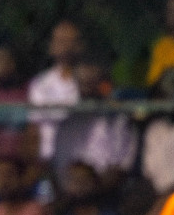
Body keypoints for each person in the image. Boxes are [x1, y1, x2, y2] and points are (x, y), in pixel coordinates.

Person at [50, 57, 137, 192]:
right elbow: (59, 171)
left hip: (107, 196)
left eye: (92, 83)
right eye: (83, 83)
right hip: (70, 198)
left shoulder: (118, 121)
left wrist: (92, 189)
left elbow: (120, 169)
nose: (88, 89)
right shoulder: (67, 124)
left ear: (103, 84)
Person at [27, 20, 85, 162]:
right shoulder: (39, 84)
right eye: (60, 41)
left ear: (81, 46)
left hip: (82, 160)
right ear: (51, 46)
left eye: (71, 41)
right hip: (47, 160)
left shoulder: (90, 84)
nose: (66, 47)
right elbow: (34, 128)